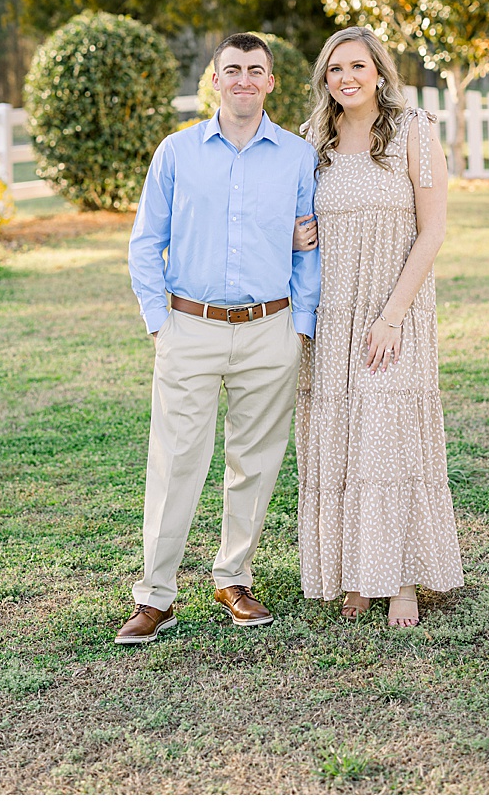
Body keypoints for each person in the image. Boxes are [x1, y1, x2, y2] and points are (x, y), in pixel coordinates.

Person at [118, 34, 321, 645]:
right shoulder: (176, 152)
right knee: (175, 461)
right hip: (190, 328)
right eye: (232, 69)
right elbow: (145, 243)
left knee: (254, 462)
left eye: (256, 70)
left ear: (271, 82)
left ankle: (234, 578)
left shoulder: (297, 157)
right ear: (214, 79)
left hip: (270, 329)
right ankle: (155, 595)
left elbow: (308, 245)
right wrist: (160, 323)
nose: (244, 79)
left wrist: (299, 327)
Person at [291, 27, 464, 628]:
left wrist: (391, 317)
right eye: (335, 68)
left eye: (358, 66)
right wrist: (294, 237)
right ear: (325, 78)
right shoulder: (312, 139)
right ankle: (356, 576)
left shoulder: (414, 131)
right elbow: (291, 218)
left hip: (394, 311)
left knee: (389, 442)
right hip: (331, 316)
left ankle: (401, 581)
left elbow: (433, 230)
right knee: (341, 443)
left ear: (380, 72)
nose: (347, 78)